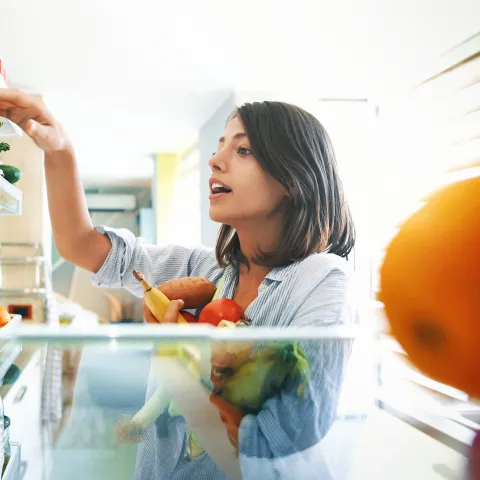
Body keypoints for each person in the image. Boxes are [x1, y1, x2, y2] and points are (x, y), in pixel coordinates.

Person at [0, 90, 359, 479]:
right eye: (220, 146)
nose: (214, 160)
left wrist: (176, 363)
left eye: (242, 151)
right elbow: (80, 244)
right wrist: (60, 149)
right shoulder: (207, 269)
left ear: (293, 176)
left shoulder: (322, 280)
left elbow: (269, 451)